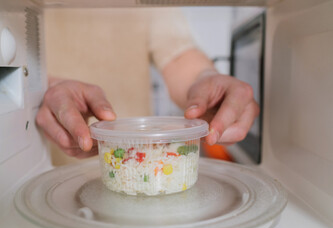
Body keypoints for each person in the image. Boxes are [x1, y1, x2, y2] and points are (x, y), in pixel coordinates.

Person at [36, 8, 259, 160]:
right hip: (43, 160)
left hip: (143, 168)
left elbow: (176, 54)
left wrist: (206, 80)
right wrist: (46, 89)